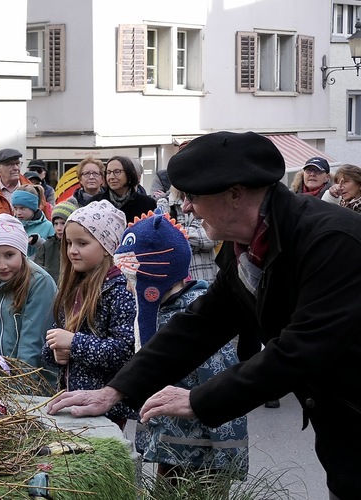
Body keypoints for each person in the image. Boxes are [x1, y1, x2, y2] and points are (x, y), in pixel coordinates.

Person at [45, 131, 361, 499]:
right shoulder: (248, 245)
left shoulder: (332, 242)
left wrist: (199, 400)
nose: (188, 208)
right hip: (342, 425)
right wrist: (116, 390)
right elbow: (201, 324)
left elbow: (299, 352)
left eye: (193, 197)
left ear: (236, 193)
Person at [113, 209, 249, 492]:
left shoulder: (196, 320)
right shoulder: (165, 312)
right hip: (171, 449)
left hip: (203, 460)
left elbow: (221, 389)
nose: (127, 286)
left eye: (131, 276)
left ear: (155, 275)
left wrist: (229, 455)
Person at [42, 200, 136, 428]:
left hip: (107, 407)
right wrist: (54, 352)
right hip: (71, 399)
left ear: (106, 246)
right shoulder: (72, 286)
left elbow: (125, 352)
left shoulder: (120, 291)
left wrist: (74, 343)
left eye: (82, 243)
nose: (72, 251)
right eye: (69, 243)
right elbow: (54, 341)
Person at [0, 213, 58, 392]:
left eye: (9, 255)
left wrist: (19, 390)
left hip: (31, 383)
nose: (2, 265)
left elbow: (32, 344)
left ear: (22, 251)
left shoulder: (39, 282)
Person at [160, 187, 219, 283]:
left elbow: (210, 238)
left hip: (207, 280)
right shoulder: (164, 203)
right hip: (177, 283)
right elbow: (160, 237)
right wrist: (193, 237)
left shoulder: (207, 198)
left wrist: (173, 234)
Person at [93, 156, 156, 222]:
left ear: (129, 174)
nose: (111, 177)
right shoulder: (96, 203)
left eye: (117, 172)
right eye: (108, 172)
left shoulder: (147, 203)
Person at [35, 199, 78, 282]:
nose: (58, 228)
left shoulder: (76, 246)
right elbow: (38, 270)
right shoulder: (47, 246)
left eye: (63, 223)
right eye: (56, 224)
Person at [10, 189, 54, 260]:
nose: (18, 212)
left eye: (22, 208)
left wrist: (38, 242)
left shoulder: (48, 227)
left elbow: (53, 252)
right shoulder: (11, 225)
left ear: (33, 207)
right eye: (15, 208)